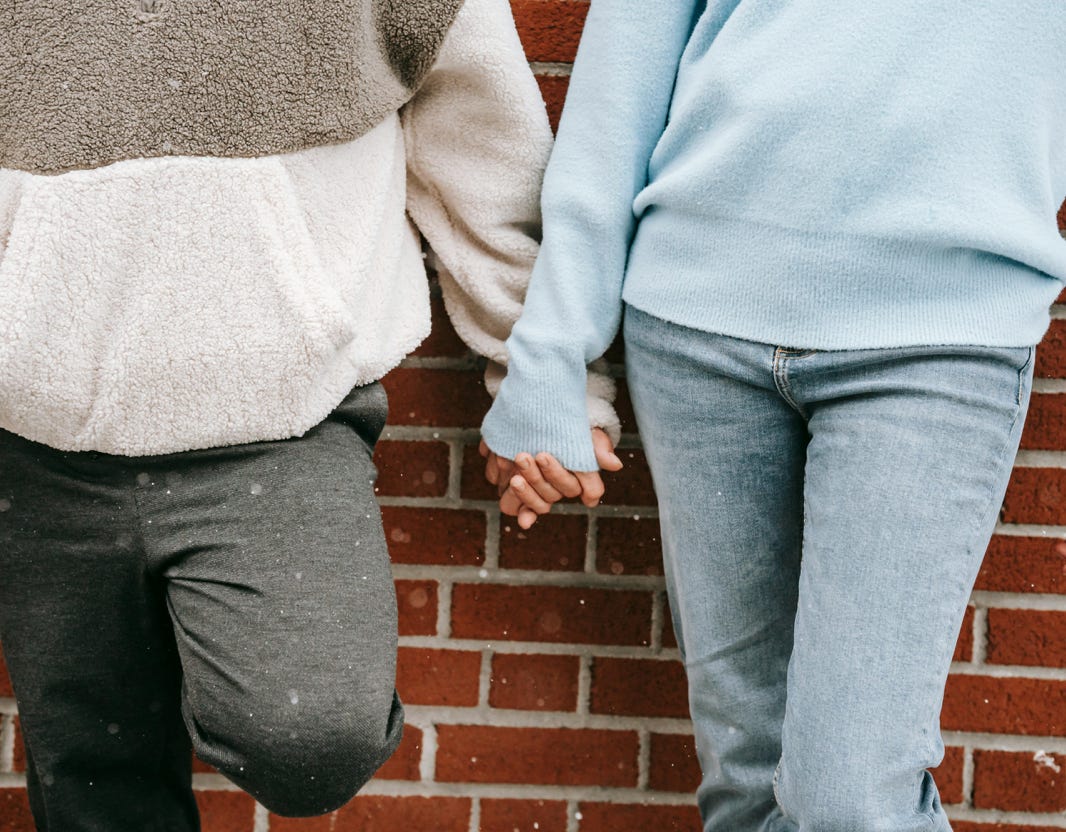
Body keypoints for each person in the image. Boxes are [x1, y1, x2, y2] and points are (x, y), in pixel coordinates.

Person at [0, 0, 600, 827]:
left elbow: (484, 151)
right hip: (35, 435)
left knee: (312, 736)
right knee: (96, 786)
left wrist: (541, 381)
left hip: (281, 428)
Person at [481, 1, 1066, 829]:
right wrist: (549, 359)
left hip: (942, 331)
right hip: (696, 322)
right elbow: (618, 89)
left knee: (851, 799)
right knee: (746, 777)